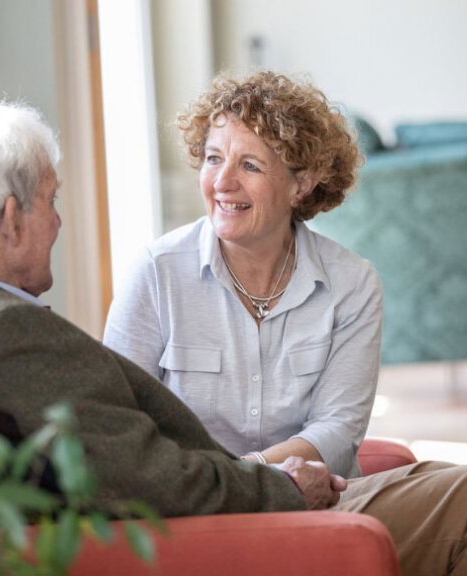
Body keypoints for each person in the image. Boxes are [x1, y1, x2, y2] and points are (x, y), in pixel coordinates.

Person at [0, 99, 467, 575]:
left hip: (230, 503)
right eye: (51, 200)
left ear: (301, 183)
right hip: (218, 527)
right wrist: (280, 485)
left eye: (249, 165)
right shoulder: (8, 329)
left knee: (465, 495)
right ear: (12, 220)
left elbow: (129, 456)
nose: (60, 222)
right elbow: (147, 478)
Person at [103, 71, 379, 478]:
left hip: (318, 501)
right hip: (193, 502)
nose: (222, 182)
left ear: (301, 184)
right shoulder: (155, 273)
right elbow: (117, 420)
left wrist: (248, 473)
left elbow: (338, 430)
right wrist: (236, 483)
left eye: (249, 165)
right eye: (213, 158)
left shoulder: (352, 283)